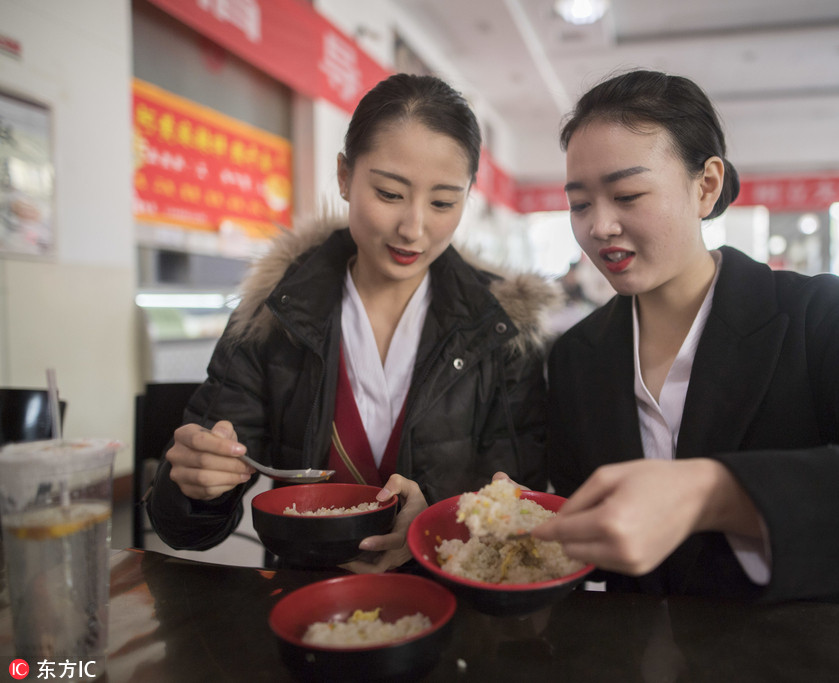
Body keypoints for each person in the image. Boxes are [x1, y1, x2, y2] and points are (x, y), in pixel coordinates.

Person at [532, 69, 839, 603]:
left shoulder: (817, 316)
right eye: (580, 204)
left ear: (706, 185)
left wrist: (720, 493)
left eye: (627, 194)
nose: (600, 226)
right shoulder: (579, 355)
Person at [147, 73, 558, 572]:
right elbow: (183, 527)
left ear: (468, 197)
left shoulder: (500, 328)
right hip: (306, 593)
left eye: (443, 203)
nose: (413, 228)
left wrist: (438, 526)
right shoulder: (273, 312)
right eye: (389, 193)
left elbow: (519, 500)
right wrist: (195, 486)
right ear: (344, 176)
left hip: (452, 601)